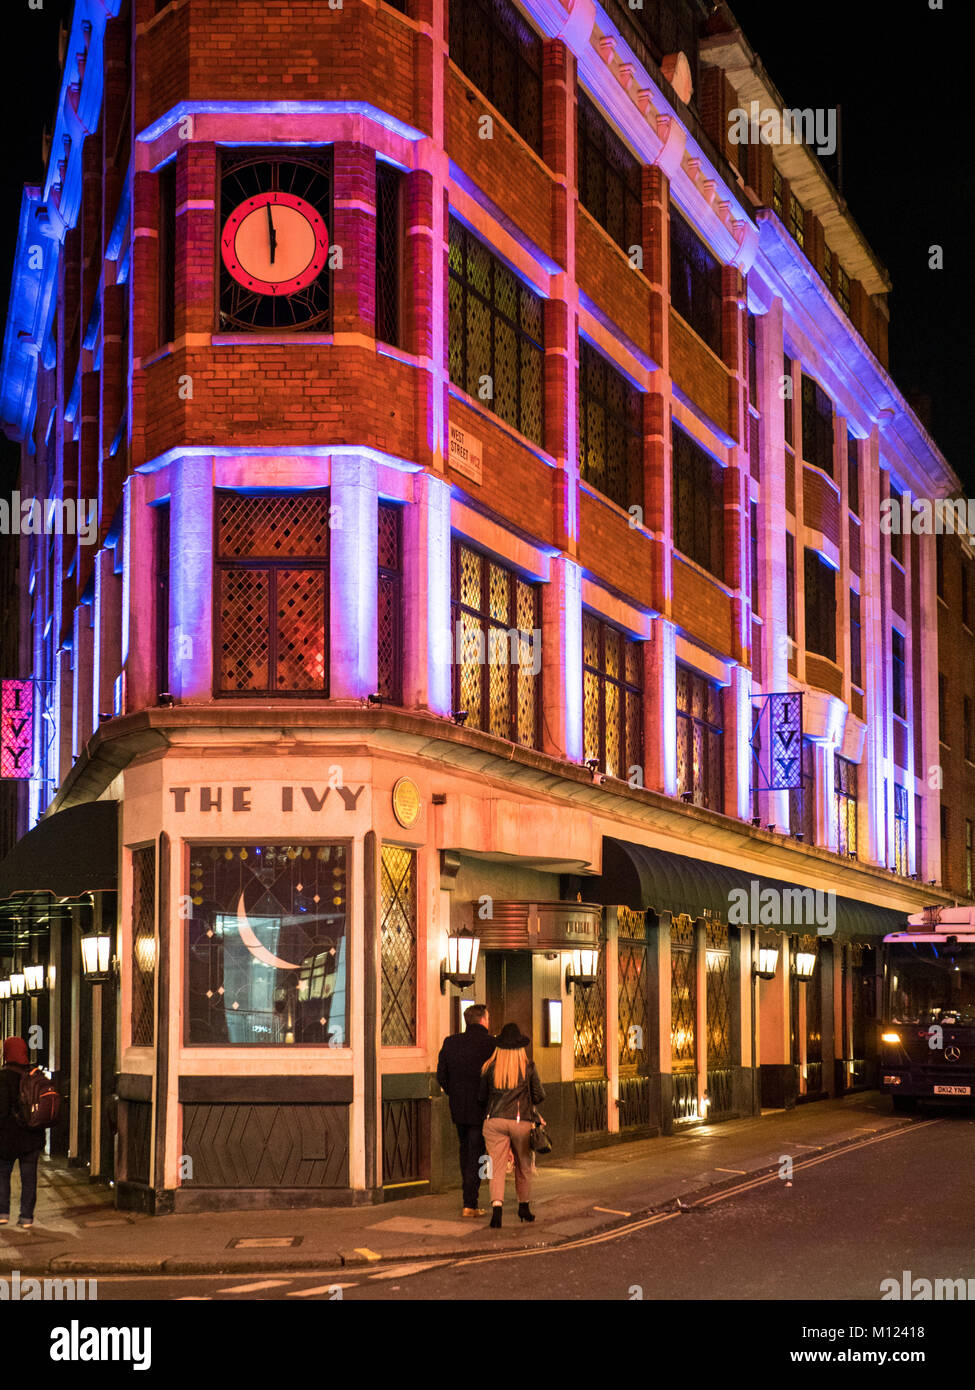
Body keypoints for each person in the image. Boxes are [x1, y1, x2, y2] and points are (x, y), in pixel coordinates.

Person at [479, 1022, 545, 1228]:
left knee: (496, 1167)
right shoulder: (528, 1066)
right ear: (519, 1047)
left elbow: (482, 1096)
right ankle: (523, 1207)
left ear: (499, 1047)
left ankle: (496, 1210)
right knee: (523, 1165)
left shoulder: (489, 1067)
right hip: (520, 1121)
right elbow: (539, 1095)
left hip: (494, 1120)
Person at [436, 1004, 496, 1217]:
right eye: (488, 1018)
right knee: (478, 1154)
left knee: (465, 1152)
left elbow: (441, 1075)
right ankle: (470, 1202)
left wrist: (454, 1092)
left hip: (459, 1109)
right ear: (483, 1020)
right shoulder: (491, 1044)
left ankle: (468, 1200)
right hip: (482, 1109)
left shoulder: (451, 1042)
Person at [0, 1037, 45, 1229]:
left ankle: (2, 1213)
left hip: (7, 1137)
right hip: (32, 1136)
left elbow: (1, 1110)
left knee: (2, 1174)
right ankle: (26, 1217)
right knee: (29, 1177)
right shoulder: (35, 1075)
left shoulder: (2, 1077)